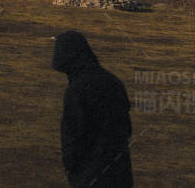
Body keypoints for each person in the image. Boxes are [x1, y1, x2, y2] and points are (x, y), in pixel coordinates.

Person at [51, 31, 133, 187]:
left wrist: (73, 171)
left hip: (90, 175)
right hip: (120, 172)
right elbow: (126, 128)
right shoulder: (112, 81)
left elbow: (73, 138)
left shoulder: (77, 89)